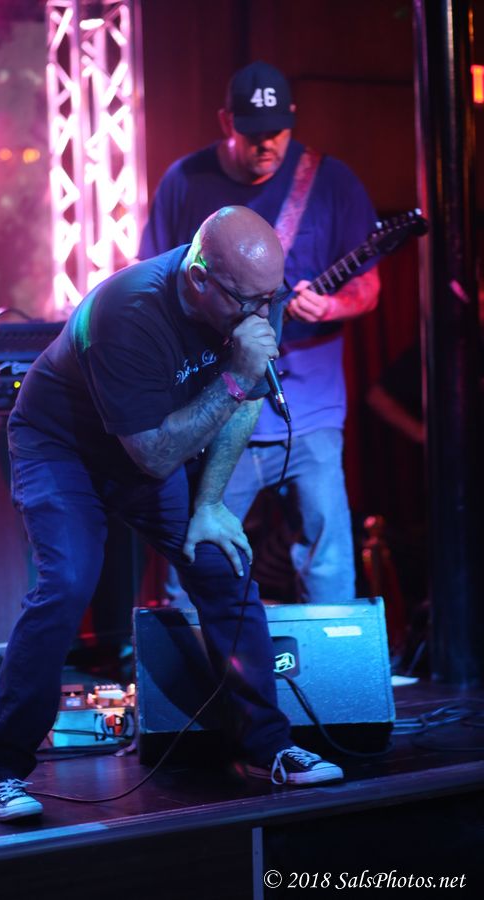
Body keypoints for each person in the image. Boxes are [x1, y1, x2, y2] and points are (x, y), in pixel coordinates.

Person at [0, 206, 343, 823]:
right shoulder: (127, 312)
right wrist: (236, 376)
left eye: (270, 299)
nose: (262, 314)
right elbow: (155, 455)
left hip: (151, 444)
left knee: (224, 564)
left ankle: (269, 747)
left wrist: (210, 504)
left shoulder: (255, 291)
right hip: (64, 449)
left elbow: (246, 402)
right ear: (199, 278)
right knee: (67, 584)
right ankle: (1, 771)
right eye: (248, 303)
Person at [140, 61, 381, 604]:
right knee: (195, 556)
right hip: (217, 401)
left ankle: (331, 655)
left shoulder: (331, 181)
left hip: (310, 409)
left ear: (292, 118)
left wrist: (331, 305)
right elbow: (153, 282)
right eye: (252, 133)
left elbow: (370, 287)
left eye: (277, 130)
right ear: (226, 121)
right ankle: (188, 651)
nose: (266, 143)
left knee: (327, 556)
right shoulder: (185, 180)